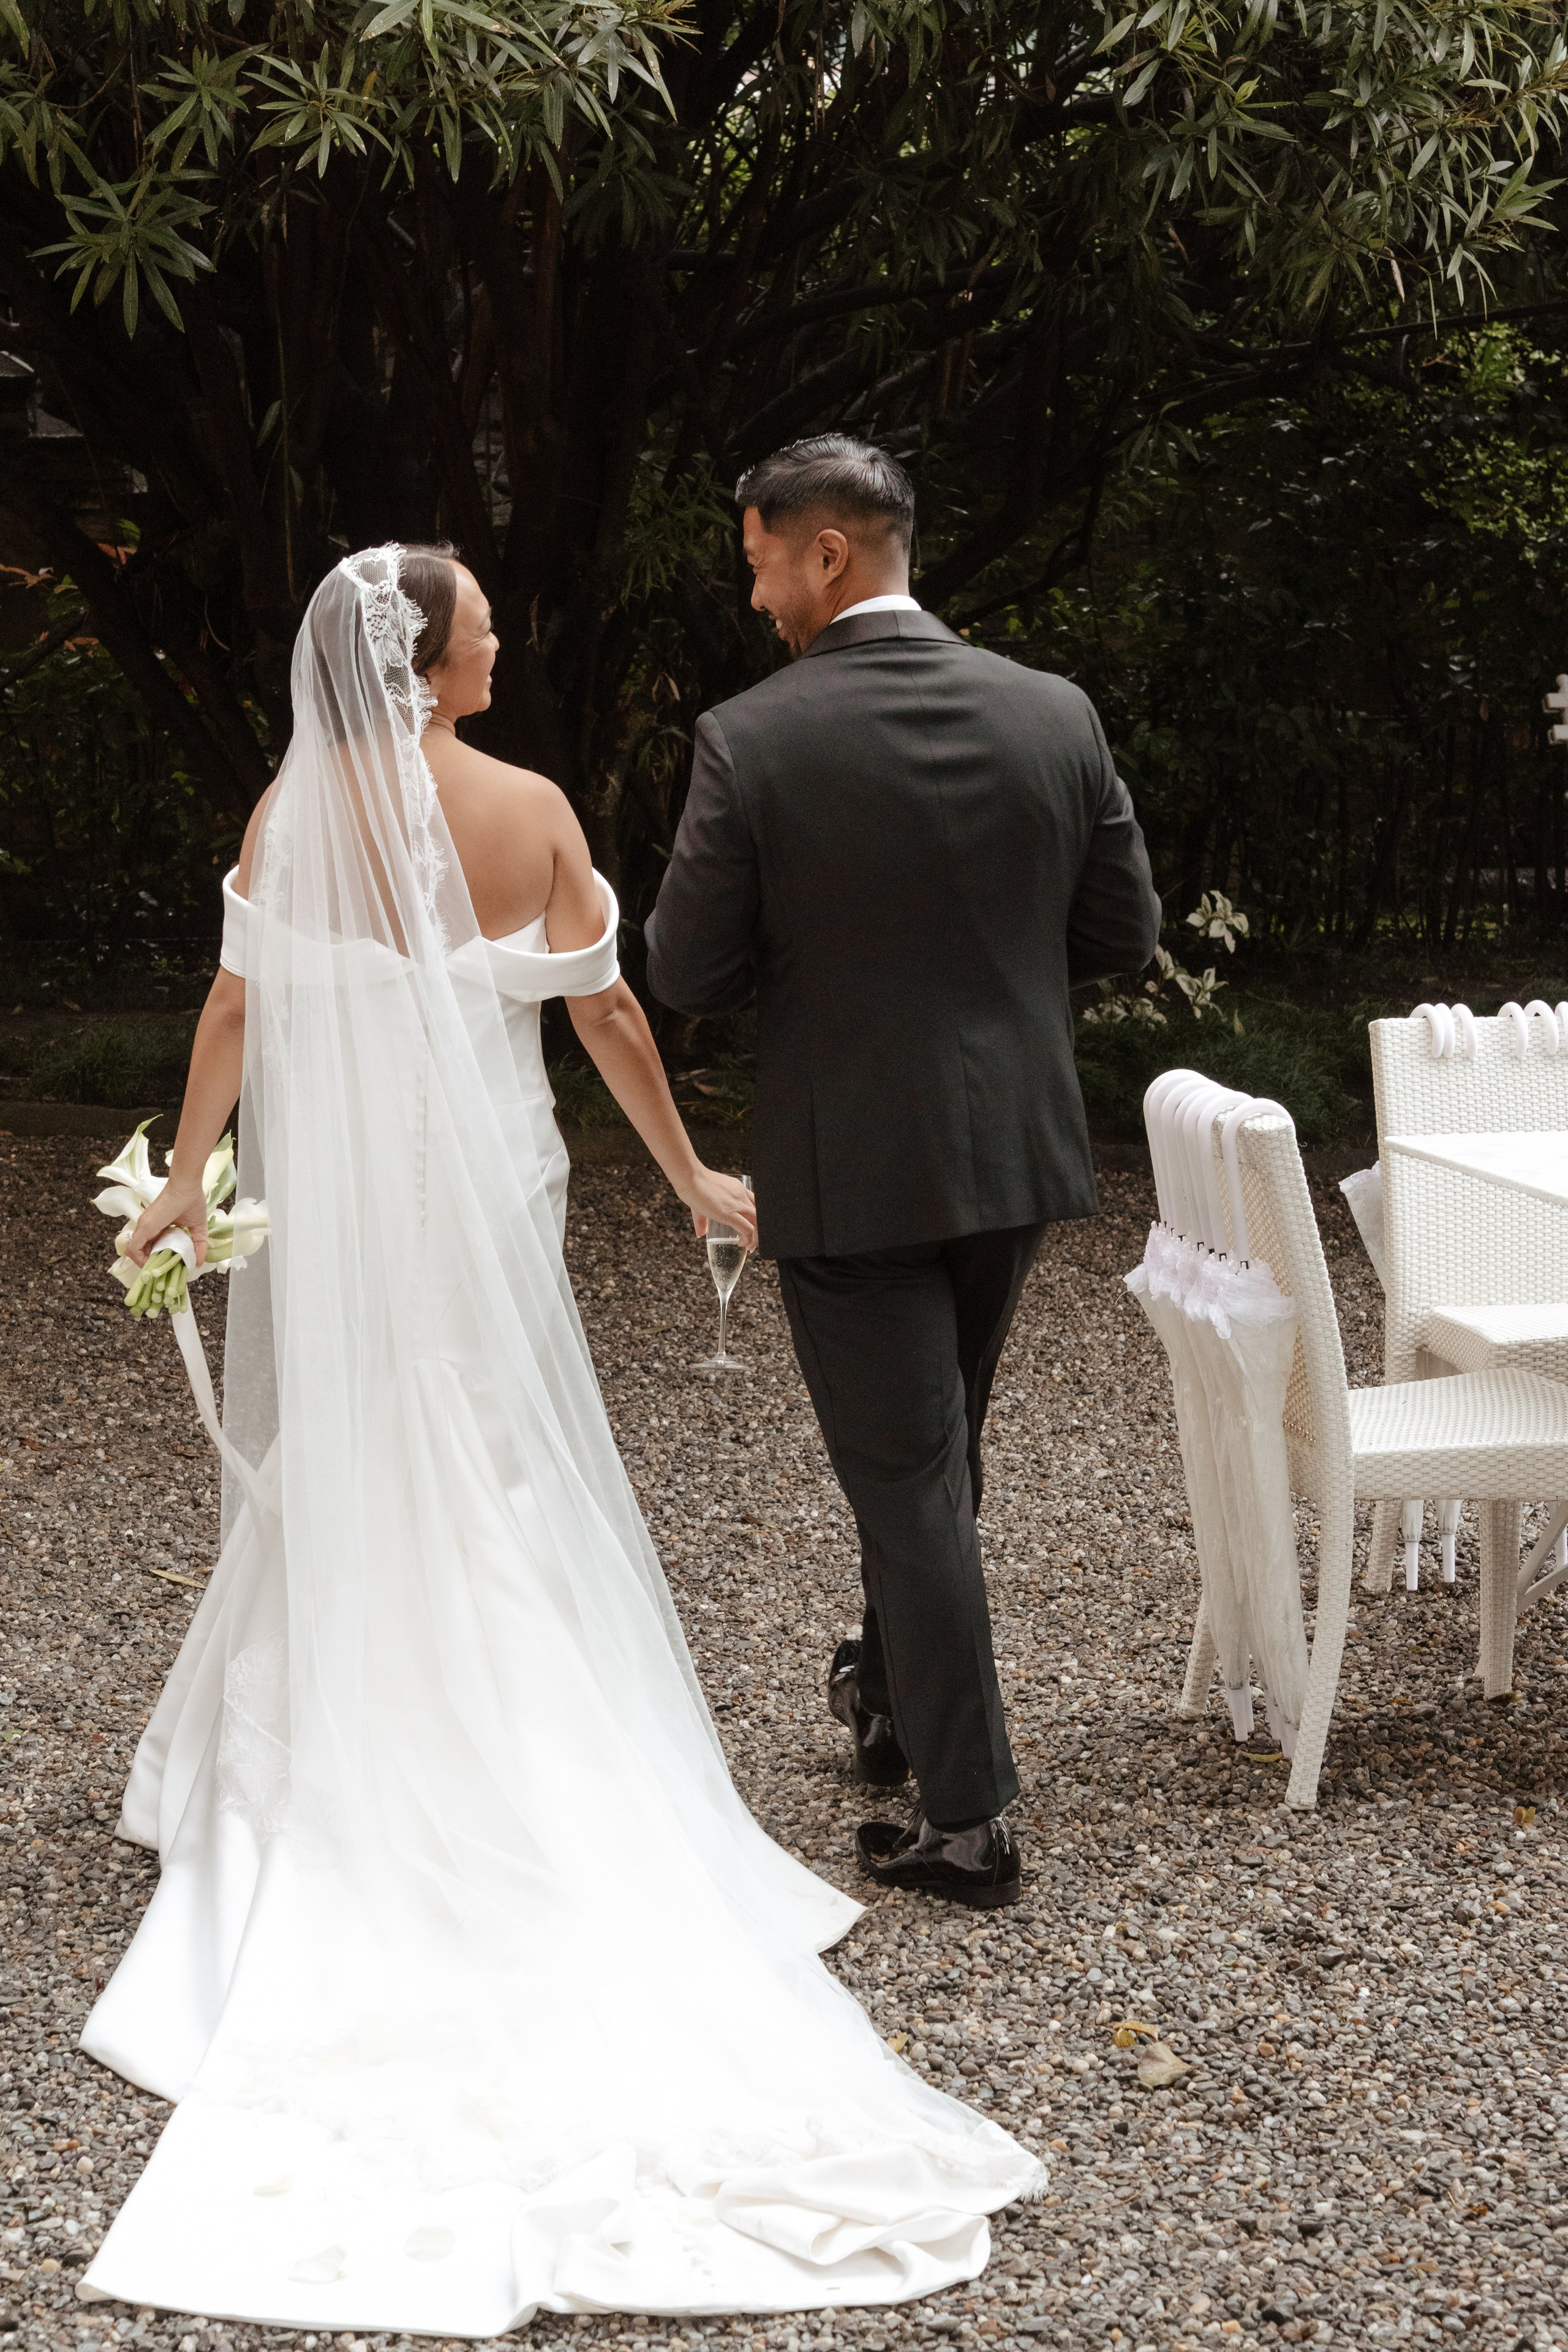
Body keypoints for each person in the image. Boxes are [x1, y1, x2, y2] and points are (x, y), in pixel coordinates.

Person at [78, 545, 1042, 2333]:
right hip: (487, 1201)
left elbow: (234, 1008)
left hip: (355, 1207)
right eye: (485, 622)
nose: (506, 634)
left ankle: (353, 1735)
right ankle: (528, 1743)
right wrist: (690, 1179)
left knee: (371, 1444)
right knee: (493, 1451)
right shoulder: (524, 807)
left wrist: (184, 1191)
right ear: (428, 660)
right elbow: (604, 1006)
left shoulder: (295, 808)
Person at [644, 437, 1162, 1910]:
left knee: (911, 1477)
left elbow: (685, 968)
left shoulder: (751, 738)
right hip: (1009, 1149)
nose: (750, 596)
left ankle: (967, 1819)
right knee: (930, 1458)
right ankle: (882, 1700)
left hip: (849, 1159)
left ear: (823, 553)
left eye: (754, 561)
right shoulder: (1050, 713)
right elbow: (1120, 933)